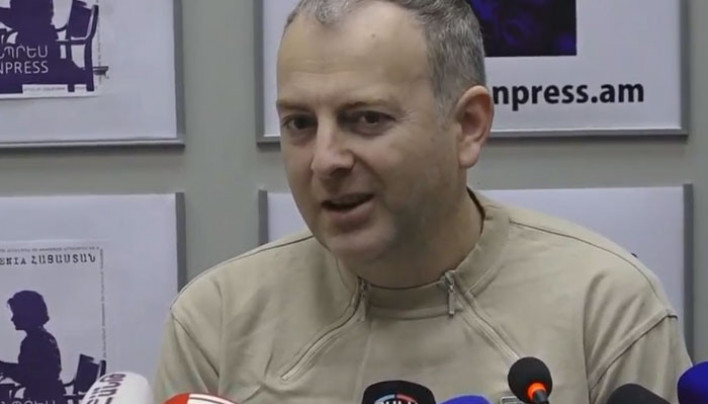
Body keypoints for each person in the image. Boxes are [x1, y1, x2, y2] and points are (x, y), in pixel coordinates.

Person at [153, 1, 692, 403]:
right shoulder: (217, 321)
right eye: (299, 123)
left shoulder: (606, 307)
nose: (324, 160)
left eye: (366, 119)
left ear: (468, 126)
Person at [0, 291, 67, 404]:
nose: (12, 319)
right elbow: (31, 370)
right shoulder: (44, 338)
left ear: (27, 315)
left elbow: (28, 377)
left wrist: (5, 368)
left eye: (16, 314)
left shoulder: (34, 342)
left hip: (42, 399)